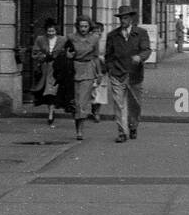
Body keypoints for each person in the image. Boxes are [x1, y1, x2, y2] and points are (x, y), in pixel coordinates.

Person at [105, 7, 151, 143]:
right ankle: (122, 132)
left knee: (134, 104)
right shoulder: (112, 35)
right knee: (119, 104)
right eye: (121, 18)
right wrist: (110, 69)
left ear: (131, 19)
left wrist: (140, 57)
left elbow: (147, 49)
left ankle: (133, 126)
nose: (123, 21)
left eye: (125, 18)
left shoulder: (141, 33)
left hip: (134, 74)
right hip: (117, 74)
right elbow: (108, 56)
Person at [64, 16, 100, 141]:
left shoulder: (95, 39)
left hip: (88, 70)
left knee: (82, 102)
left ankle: (80, 130)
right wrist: (68, 55)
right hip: (74, 69)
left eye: (86, 26)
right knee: (76, 102)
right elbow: (64, 53)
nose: (83, 29)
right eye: (81, 26)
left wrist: (99, 73)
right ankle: (77, 127)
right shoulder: (71, 38)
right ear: (77, 26)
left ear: (89, 26)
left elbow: (96, 57)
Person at [30, 19, 69, 125]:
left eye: (53, 31)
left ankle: (52, 112)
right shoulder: (40, 39)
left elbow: (67, 52)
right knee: (48, 91)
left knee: (54, 90)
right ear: (46, 31)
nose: (51, 33)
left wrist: (61, 57)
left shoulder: (63, 39)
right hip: (45, 68)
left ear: (56, 30)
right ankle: (51, 112)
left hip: (57, 69)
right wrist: (43, 56)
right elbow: (34, 53)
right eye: (49, 31)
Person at [89, 20, 107, 121]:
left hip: (102, 69)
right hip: (91, 68)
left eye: (100, 31)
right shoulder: (89, 41)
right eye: (96, 31)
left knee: (100, 90)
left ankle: (96, 112)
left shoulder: (105, 42)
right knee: (92, 90)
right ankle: (92, 109)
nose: (98, 33)